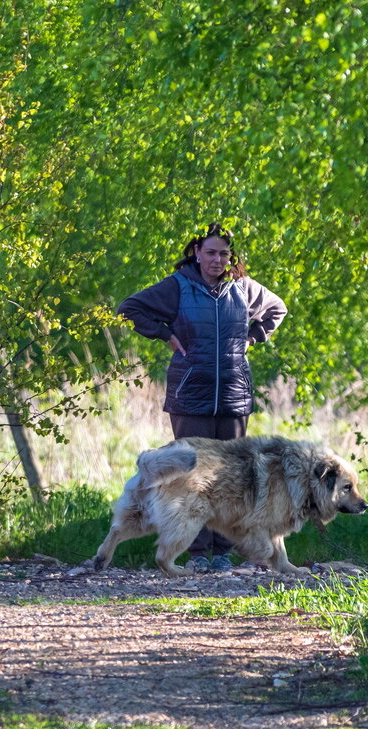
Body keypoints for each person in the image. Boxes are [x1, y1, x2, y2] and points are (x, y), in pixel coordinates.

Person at [118, 223, 287, 572]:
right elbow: (130, 308)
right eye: (210, 252)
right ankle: (195, 555)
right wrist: (165, 335)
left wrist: (253, 338)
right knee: (190, 475)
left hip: (233, 393)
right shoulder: (178, 287)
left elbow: (277, 309)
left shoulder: (243, 289)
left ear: (231, 256)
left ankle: (223, 553)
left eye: (224, 253)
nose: (217, 259)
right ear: (196, 252)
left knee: (231, 477)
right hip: (189, 393)